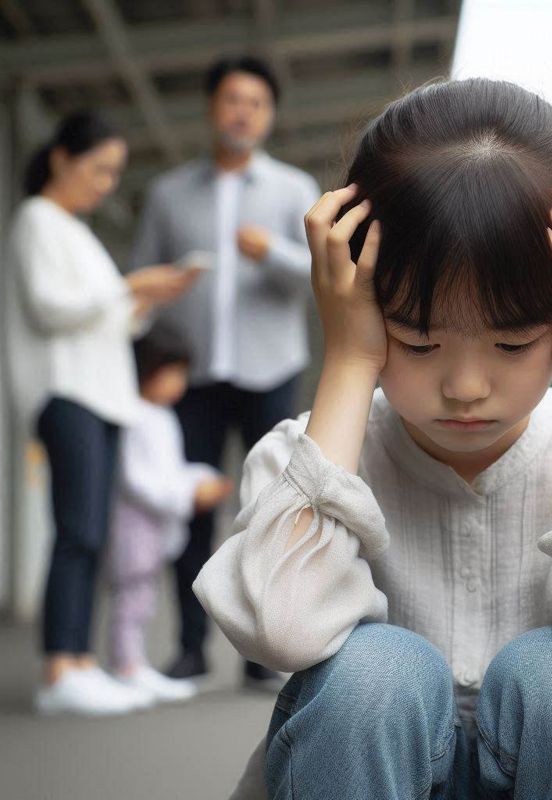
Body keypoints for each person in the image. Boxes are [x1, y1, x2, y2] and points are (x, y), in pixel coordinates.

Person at [193, 79, 552, 799]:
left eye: (513, 343)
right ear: (357, 299)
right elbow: (282, 633)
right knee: (373, 677)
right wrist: (351, 361)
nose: (466, 386)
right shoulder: (303, 455)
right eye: (418, 342)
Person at [129, 54, 320, 689]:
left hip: (271, 369)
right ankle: (187, 648)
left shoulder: (293, 189)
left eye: (256, 103)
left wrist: (275, 255)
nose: (243, 112)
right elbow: (140, 280)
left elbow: (328, 273)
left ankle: (261, 651)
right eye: (232, 100)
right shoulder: (166, 193)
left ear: (269, 116)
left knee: (269, 507)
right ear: (213, 108)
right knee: (188, 509)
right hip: (192, 376)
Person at [5, 111, 200, 716]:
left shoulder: (77, 231)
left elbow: (102, 320)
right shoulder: (37, 218)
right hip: (68, 396)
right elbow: (49, 306)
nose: (108, 183)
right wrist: (128, 286)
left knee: (90, 533)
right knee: (79, 531)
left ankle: (81, 663)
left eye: (115, 173)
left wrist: (143, 298)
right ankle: (61, 667)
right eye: (100, 169)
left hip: (99, 397)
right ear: (62, 158)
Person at [106, 321, 234, 704]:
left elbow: (172, 468)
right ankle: (126, 665)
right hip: (134, 527)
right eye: (172, 373)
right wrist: (187, 493)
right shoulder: (135, 418)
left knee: (142, 599)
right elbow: (139, 479)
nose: (179, 383)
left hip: (152, 527)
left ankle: (133, 662)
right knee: (133, 598)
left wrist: (200, 480)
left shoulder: (160, 416)